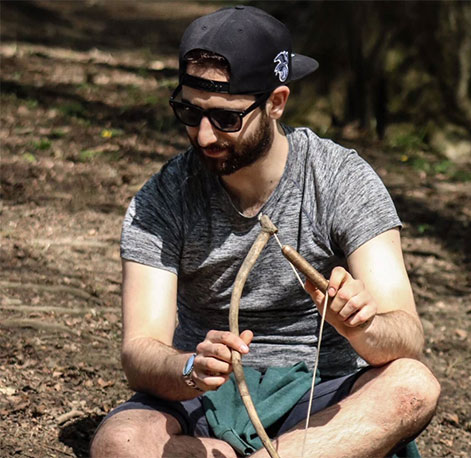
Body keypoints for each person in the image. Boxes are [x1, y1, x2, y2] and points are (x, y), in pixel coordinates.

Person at [90, 5, 440, 458]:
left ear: (276, 102)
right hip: (203, 399)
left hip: (322, 396)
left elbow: (407, 337)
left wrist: (363, 326)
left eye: (226, 118)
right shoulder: (164, 197)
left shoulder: (341, 179)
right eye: (189, 112)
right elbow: (140, 351)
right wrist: (190, 367)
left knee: (413, 386)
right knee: (120, 441)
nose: (204, 136)